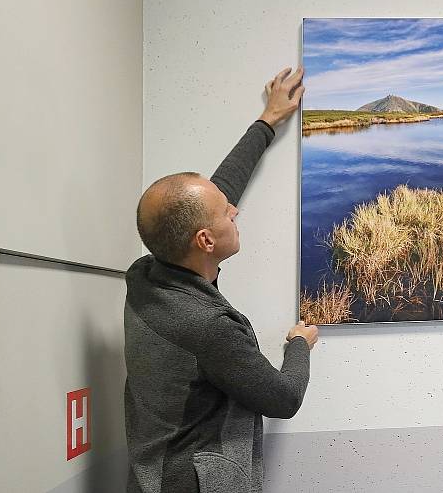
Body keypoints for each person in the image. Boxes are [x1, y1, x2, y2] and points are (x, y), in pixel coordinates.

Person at [123, 67, 317, 493]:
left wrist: (268, 121)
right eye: (225, 211)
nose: (234, 210)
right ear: (205, 240)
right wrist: (300, 343)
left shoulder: (146, 275)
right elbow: (283, 398)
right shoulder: (209, 327)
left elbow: (212, 195)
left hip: (150, 477)